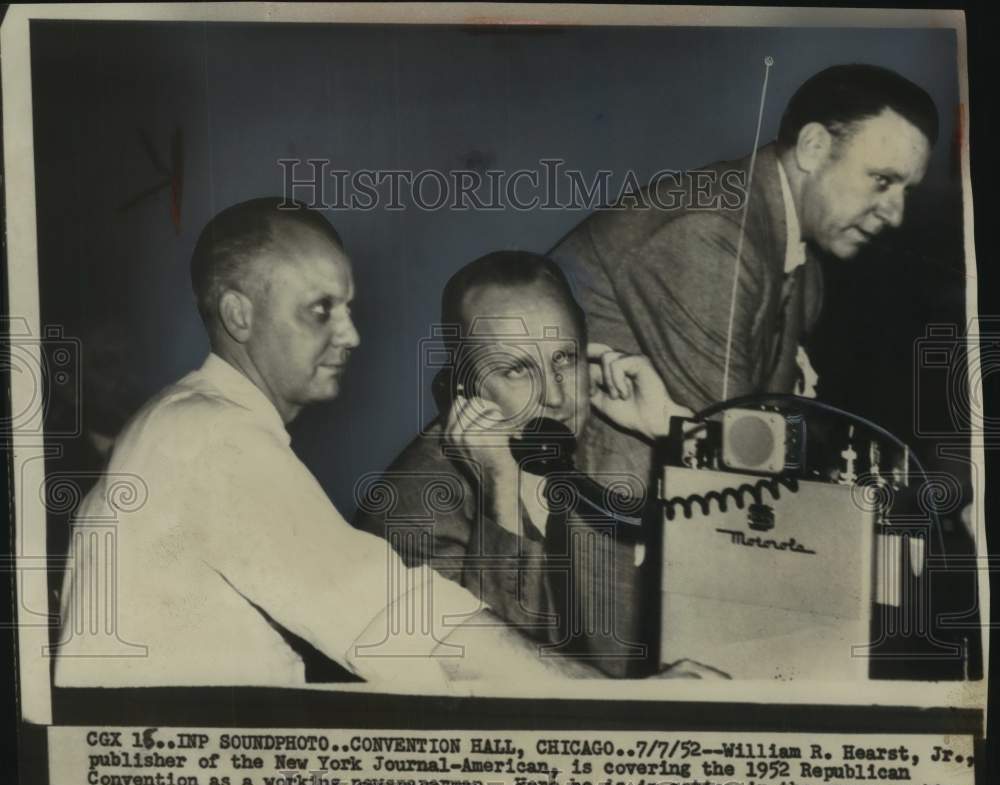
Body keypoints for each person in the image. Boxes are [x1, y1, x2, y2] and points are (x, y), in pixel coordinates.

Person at [52, 202, 632, 688]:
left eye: (347, 307)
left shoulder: (197, 421)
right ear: (239, 314)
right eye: (320, 310)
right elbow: (395, 618)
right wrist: (625, 702)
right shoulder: (210, 436)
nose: (351, 335)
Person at [549, 63, 938, 487]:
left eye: (907, 192)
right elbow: (736, 460)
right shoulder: (713, 235)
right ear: (812, 147)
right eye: (882, 180)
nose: (896, 215)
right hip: (589, 525)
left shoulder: (800, 258)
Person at [355, 251, 701, 678]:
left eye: (564, 360)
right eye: (517, 370)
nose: (555, 397)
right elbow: (500, 695)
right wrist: (501, 492)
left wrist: (672, 427)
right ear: (465, 388)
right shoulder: (407, 512)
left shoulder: (610, 452)